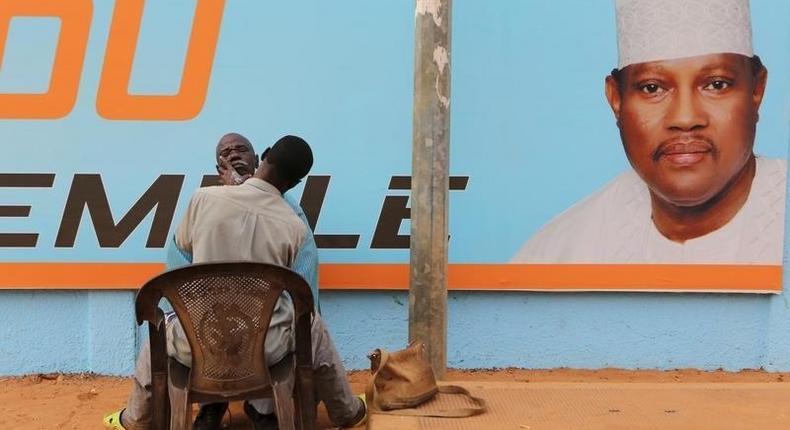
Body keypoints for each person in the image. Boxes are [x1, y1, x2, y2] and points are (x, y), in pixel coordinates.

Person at [103, 135, 365, 430]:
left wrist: (235, 194)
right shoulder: (293, 225)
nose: (234, 155)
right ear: (294, 183)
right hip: (266, 349)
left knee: (162, 324)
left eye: (241, 150)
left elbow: (180, 256)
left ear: (261, 157)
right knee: (311, 323)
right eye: (227, 152)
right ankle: (347, 412)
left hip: (198, 344)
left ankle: (136, 419)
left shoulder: (202, 199)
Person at [512, 0, 786, 264]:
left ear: (756, 90)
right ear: (616, 99)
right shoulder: (557, 254)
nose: (685, 118)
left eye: (716, 84)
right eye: (652, 88)